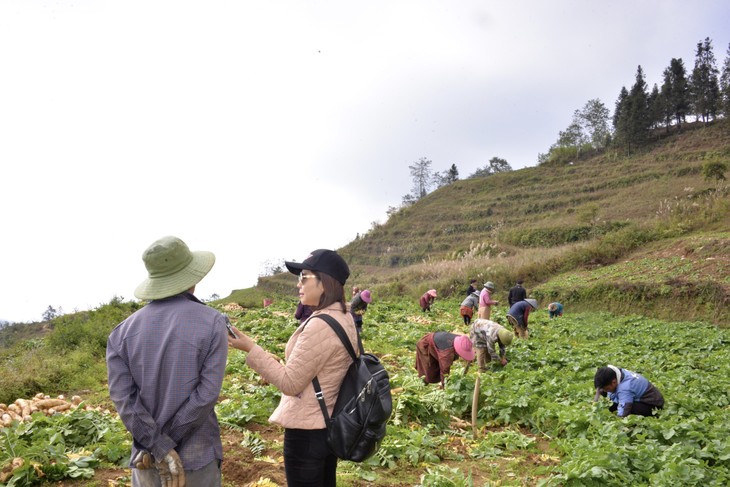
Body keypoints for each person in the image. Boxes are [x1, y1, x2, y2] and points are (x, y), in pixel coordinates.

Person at [227, 249, 357, 487]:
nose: (299, 284)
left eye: (305, 277)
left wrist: (250, 348)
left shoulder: (320, 324)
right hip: (329, 423)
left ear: (325, 283)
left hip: (308, 430)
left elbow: (290, 383)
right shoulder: (345, 316)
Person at [106, 236, 228, 487]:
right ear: (191, 279)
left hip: (147, 461)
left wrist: (158, 447)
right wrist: (165, 447)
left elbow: (124, 401)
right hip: (196, 459)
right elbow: (206, 395)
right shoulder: (213, 322)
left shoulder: (121, 334)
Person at [593, 366, 665, 417]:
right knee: (609, 404)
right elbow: (600, 388)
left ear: (614, 382)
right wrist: (595, 403)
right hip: (640, 397)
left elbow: (624, 412)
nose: (605, 391)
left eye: (607, 388)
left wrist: (617, 424)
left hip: (652, 405)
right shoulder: (616, 372)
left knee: (627, 408)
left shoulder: (625, 388)